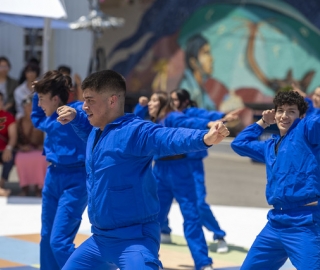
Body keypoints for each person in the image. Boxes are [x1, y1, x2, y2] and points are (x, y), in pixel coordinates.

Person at [56, 69, 230, 270]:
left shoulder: (135, 131)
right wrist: (76, 116)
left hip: (134, 240)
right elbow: (89, 129)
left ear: (112, 101)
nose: (84, 106)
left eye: (90, 100)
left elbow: (167, 137)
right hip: (99, 240)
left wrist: (204, 138)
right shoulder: (97, 131)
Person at [231, 90, 320, 269]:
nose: (284, 116)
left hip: (304, 223)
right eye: (280, 110)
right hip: (275, 223)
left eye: (291, 111)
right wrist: (263, 122)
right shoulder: (269, 145)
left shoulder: (306, 130)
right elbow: (239, 144)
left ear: (301, 115)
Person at [160, 88, 241, 253]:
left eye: (175, 100)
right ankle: (164, 231)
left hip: (192, 165)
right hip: (169, 167)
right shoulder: (165, 115)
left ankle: (219, 236)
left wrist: (224, 118)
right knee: (159, 202)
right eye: (171, 99)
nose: (172, 103)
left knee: (198, 203)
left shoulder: (191, 113)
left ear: (184, 102)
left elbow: (207, 118)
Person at [31, 70, 88, 270]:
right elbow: (36, 116)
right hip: (52, 177)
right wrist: (36, 92)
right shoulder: (48, 118)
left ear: (56, 99)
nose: (39, 104)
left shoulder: (76, 110)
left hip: (77, 180)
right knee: (46, 237)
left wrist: (76, 114)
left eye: (42, 99)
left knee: (59, 241)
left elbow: (86, 112)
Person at [179, 34, 228, 111]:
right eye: (206, 53)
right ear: (193, 62)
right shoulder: (186, 90)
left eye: (209, 53)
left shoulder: (204, 83)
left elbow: (210, 107)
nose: (212, 58)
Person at [15, 96, 46, 197]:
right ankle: (25, 188)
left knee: (41, 158)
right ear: (23, 108)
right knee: (19, 158)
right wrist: (21, 147)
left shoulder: (41, 120)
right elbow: (15, 140)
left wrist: (43, 146)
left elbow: (47, 137)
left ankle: (39, 188)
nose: (29, 108)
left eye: (31, 107)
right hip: (23, 150)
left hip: (39, 150)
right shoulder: (18, 121)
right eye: (27, 106)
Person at [0, 93, 17, 196]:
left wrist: (9, 148)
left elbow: (13, 136)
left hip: (3, 150)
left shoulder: (8, 117)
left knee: (9, 157)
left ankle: (1, 185)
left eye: (0, 100)